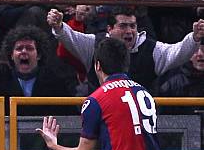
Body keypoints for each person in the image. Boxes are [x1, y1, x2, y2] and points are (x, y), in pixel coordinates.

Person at [48, 6, 204, 93]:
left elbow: (178, 52)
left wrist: (194, 38)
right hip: (102, 117)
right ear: (110, 28)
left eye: (133, 26)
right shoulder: (94, 44)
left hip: (139, 121)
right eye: (123, 26)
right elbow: (70, 37)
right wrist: (58, 26)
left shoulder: (151, 49)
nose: (129, 31)